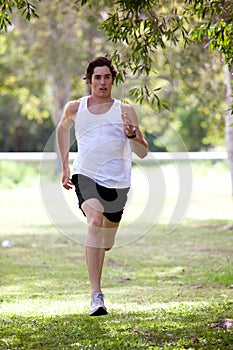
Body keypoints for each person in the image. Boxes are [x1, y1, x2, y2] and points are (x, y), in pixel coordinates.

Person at [56, 56, 148, 316]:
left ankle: (102, 249)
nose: (103, 82)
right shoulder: (75, 108)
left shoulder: (125, 110)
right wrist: (65, 166)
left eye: (107, 77)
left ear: (113, 80)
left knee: (105, 243)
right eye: (97, 77)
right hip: (86, 175)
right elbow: (63, 130)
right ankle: (96, 296)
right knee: (94, 221)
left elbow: (142, 152)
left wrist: (131, 134)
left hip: (118, 183)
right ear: (89, 80)